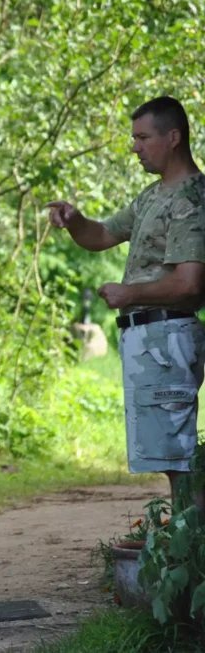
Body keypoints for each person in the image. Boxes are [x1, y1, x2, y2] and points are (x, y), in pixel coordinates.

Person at [47, 96, 205, 504]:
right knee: (169, 456)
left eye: (142, 137)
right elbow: (101, 236)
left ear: (173, 137)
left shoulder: (192, 197)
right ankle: (183, 544)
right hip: (149, 340)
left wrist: (129, 293)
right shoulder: (152, 195)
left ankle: (189, 553)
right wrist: (74, 220)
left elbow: (189, 284)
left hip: (167, 336)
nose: (134, 146)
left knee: (178, 457)